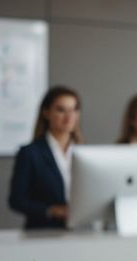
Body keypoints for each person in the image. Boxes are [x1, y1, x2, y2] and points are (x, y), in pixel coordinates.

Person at [8, 86, 84, 229]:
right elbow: (16, 200)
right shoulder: (30, 153)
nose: (69, 117)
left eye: (74, 110)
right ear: (46, 113)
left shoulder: (84, 153)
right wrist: (52, 210)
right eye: (61, 110)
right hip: (43, 231)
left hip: (80, 231)